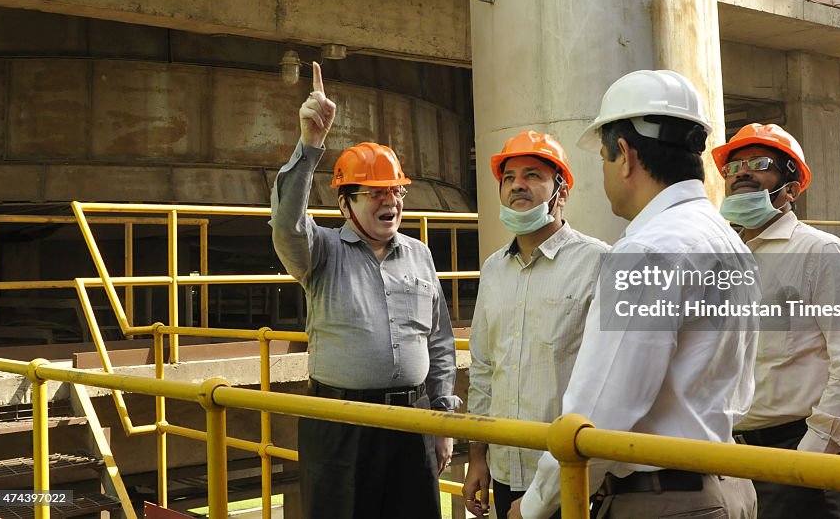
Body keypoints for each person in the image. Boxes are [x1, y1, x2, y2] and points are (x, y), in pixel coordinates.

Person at [511, 70, 760, 519]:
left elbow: (597, 414)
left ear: (624, 156)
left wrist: (532, 508)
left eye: (604, 158)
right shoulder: (726, 240)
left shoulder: (648, 251)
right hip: (728, 482)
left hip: (664, 499)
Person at [269, 62, 460, 519]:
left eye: (395, 191)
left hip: (413, 420)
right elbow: (285, 223)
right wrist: (310, 144)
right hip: (340, 423)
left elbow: (439, 342)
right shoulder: (322, 252)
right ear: (345, 203)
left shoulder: (419, 255)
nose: (389, 201)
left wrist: (443, 417)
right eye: (374, 192)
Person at [713, 123, 840, 519]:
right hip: (731, 458)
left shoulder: (819, 253)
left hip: (797, 455)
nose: (741, 172)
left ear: (791, 189)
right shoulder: (724, 258)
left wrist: (808, 459)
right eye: (733, 166)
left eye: (760, 163)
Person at [463, 131, 610, 519]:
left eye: (533, 175)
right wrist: (477, 457)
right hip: (506, 468)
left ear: (561, 191)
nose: (518, 186)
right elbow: (482, 370)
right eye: (509, 178)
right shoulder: (494, 269)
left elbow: (612, 378)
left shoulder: (599, 263)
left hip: (571, 468)